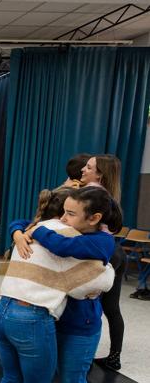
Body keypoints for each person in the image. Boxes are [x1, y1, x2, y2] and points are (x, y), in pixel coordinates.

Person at [0, 187, 116, 383]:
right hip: (47, 320)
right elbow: (21, 223)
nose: (63, 218)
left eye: (71, 214)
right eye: (62, 211)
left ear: (94, 217)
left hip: (78, 326)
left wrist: (35, 231)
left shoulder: (99, 242)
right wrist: (19, 231)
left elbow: (93, 277)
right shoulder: (60, 229)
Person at [80, 155, 126, 371]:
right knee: (111, 307)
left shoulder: (91, 190)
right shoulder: (109, 193)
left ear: (100, 174)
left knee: (90, 303)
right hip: (116, 251)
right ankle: (114, 357)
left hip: (101, 251)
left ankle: (84, 354)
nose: (83, 169)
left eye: (88, 167)